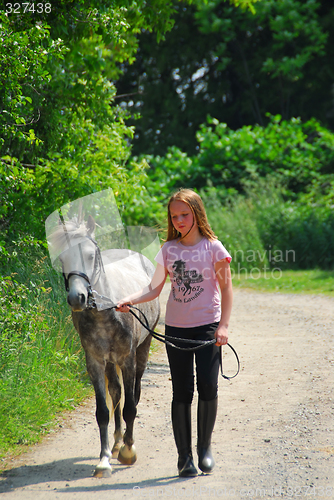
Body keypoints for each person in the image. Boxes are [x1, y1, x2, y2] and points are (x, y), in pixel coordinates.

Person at [116, 188, 233, 477]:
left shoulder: (214, 248)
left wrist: (224, 326)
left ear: (197, 213)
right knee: (182, 391)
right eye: (174, 216)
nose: (179, 220)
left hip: (207, 328)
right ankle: (185, 458)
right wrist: (130, 299)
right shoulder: (168, 250)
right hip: (177, 330)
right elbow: (154, 288)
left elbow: (226, 289)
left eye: (185, 214)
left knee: (208, 386)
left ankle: (204, 449)